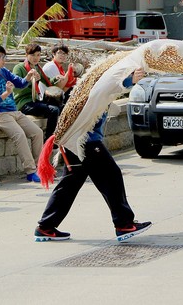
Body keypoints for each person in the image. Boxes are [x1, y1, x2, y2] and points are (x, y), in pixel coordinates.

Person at [34, 68, 152, 242]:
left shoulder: (87, 87)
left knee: (69, 186)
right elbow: (111, 87)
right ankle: (124, 224)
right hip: (86, 143)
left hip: (74, 142)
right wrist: (129, 80)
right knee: (112, 177)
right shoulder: (97, 88)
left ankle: (45, 226)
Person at [0, 45, 45, 183]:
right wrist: (6, 94)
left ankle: (40, 167)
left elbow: (20, 84)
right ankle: (30, 171)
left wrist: (28, 77)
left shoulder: (3, 71)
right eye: (1, 57)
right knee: (19, 135)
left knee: (37, 132)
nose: (4, 60)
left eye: (4, 57)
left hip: (14, 111)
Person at [12, 43, 60, 139]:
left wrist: (56, 78)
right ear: (26, 55)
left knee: (60, 104)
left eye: (38, 55)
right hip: (24, 103)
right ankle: (49, 140)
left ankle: (58, 136)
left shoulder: (37, 68)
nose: (35, 58)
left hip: (35, 100)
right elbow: (15, 88)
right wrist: (29, 80)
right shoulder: (19, 68)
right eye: (32, 55)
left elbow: (47, 82)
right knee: (53, 110)